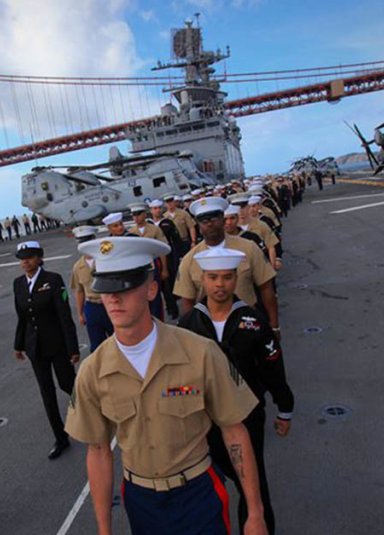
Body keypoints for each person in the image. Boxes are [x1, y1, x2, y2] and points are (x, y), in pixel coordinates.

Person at [65, 236, 269, 535]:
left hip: (198, 494)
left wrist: (255, 513)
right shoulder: (92, 372)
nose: (113, 299)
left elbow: (234, 431)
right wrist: (104, 530)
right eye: (106, 289)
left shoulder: (200, 353)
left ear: (151, 289)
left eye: (125, 287)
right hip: (141, 502)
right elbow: (98, 451)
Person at [178, 248, 295, 534]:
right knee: (202, 489)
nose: (220, 284)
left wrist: (285, 408)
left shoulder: (253, 321)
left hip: (247, 418)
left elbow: (272, 367)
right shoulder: (188, 324)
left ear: (236, 279)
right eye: (213, 277)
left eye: (227, 277)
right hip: (203, 421)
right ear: (202, 280)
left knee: (254, 490)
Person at [12, 241, 80, 459]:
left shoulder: (53, 280)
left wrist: (72, 347)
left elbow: (64, 315)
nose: (25, 262)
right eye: (22, 258)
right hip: (35, 348)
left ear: (39, 258)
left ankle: (92, 416)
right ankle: (60, 438)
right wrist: (18, 345)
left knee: (68, 385)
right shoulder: (18, 284)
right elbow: (22, 317)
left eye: (30, 257)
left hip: (57, 345)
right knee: (46, 393)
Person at [174, 197, 280, 334]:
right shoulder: (189, 260)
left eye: (214, 218)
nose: (210, 224)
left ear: (223, 220)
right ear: (198, 225)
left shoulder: (249, 248)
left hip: (248, 325)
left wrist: (274, 325)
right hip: (209, 330)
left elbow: (266, 288)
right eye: (204, 221)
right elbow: (187, 302)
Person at [70, 226, 114, 352]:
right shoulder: (78, 267)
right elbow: (79, 291)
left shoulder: (106, 260)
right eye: (81, 242)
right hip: (92, 306)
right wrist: (80, 313)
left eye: (88, 241)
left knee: (119, 339)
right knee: (97, 345)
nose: (85, 245)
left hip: (110, 303)